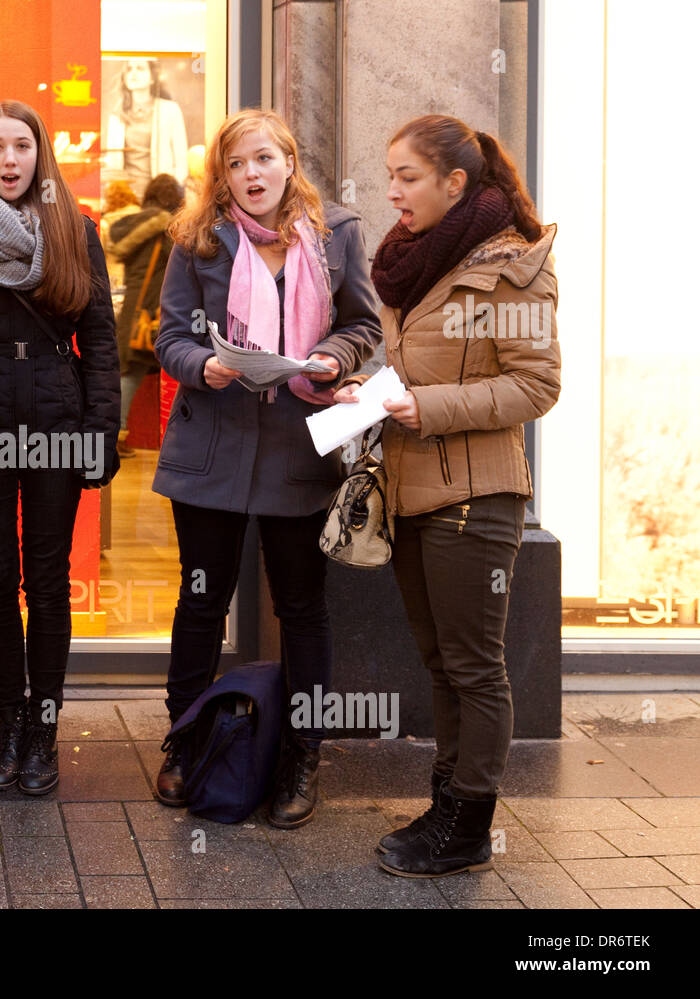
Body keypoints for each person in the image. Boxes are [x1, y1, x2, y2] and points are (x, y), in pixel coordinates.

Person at [336, 114, 559, 876]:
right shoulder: (411, 259)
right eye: (388, 173)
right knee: (440, 661)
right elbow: (425, 365)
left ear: (454, 182)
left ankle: (468, 827)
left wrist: (425, 408)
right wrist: (373, 388)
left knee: (474, 667)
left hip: (477, 497)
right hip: (413, 487)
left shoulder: (512, 267)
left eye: (406, 176)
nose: (389, 190)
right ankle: (446, 802)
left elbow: (536, 385)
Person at [151, 109, 381, 827]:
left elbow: (364, 325)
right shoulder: (194, 238)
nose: (249, 175)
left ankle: (301, 756)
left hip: (296, 447)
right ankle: (185, 742)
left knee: (302, 606)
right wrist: (206, 364)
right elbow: (168, 337)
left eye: (262, 160)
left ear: (289, 160)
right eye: (235, 165)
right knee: (201, 600)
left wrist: (336, 358)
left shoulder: (338, 233)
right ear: (221, 176)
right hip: (212, 446)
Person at [0, 100, 121, 795]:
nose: (9, 161)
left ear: (41, 155)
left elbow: (101, 340)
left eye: (21, 147)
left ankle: (44, 726)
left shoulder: (76, 231)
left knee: (46, 582)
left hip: (56, 428)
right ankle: (7, 719)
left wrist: (102, 433)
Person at [108, 172, 183, 457]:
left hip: (132, 308)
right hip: (148, 310)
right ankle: (116, 434)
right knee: (132, 371)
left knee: (128, 370)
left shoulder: (137, 223)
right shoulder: (164, 228)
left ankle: (117, 432)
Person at [104, 59, 189, 199]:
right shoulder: (117, 115)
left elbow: (181, 160)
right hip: (127, 196)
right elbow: (113, 161)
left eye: (140, 68)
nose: (133, 73)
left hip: (161, 195)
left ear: (152, 77)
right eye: (129, 69)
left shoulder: (170, 110)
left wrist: (172, 190)